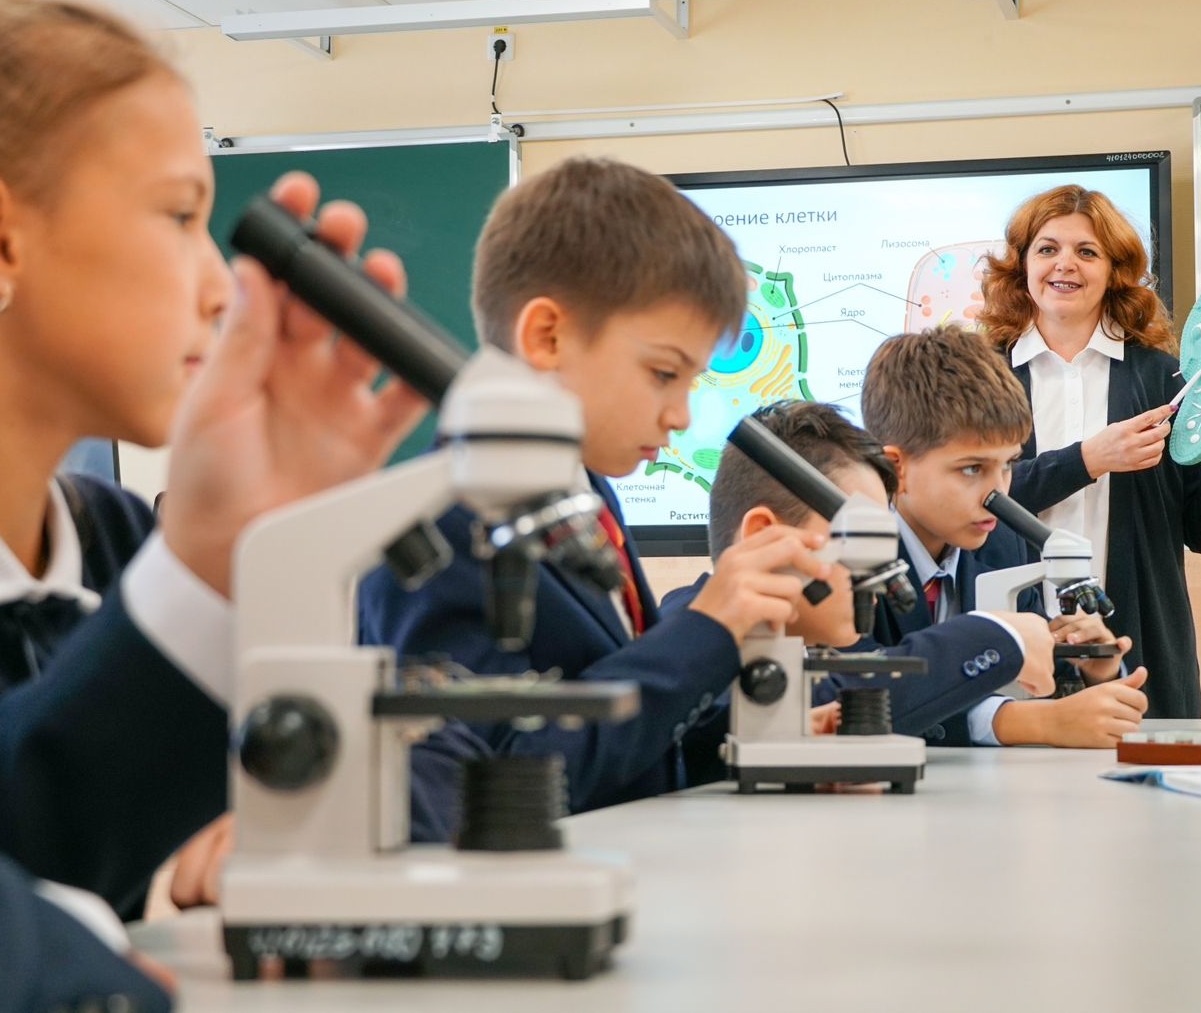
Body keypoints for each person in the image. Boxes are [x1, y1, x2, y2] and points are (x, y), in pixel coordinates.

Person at [0, 0, 427, 1006]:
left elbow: (2, 858)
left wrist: (264, 819)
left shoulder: (124, 538)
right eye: (180, 216)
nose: (220, 289)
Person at [361, 158, 896, 813]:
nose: (681, 415)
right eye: (665, 373)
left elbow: (613, 741)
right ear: (548, 336)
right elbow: (498, 778)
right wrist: (705, 630)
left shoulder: (586, 492)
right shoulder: (443, 526)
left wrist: (751, 746)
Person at [977, 185, 1201, 718]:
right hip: (1011, 654)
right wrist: (1088, 460)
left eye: (1087, 252)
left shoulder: (1166, 377)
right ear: (1022, 265)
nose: (1065, 264)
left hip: (1140, 656)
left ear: (1114, 271)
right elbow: (972, 497)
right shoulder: (981, 375)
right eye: (1047, 249)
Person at [656, 400, 1056, 761]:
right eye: (859, 541)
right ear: (765, 535)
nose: (879, 574)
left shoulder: (796, 652)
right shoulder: (685, 632)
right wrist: (993, 635)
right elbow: (813, 696)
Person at [861, 324, 1147, 747]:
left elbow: (1039, 686)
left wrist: (1092, 670)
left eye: (1008, 465)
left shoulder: (1002, 544)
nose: (996, 493)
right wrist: (1023, 722)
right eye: (972, 469)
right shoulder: (851, 559)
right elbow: (858, 697)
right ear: (895, 469)